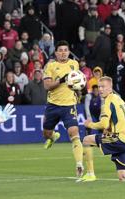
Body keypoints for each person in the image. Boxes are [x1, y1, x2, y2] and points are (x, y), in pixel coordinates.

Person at [42, 40, 84, 177]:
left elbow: (76, 83)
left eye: (65, 50)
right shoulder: (50, 66)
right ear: (56, 53)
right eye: (60, 50)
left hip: (69, 105)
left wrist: (79, 92)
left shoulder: (74, 64)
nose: (63, 52)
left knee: (74, 132)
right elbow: (47, 86)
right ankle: (53, 137)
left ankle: (79, 165)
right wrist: (61, 80)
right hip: (53, 105)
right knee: (46, 134)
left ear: (68, 52)